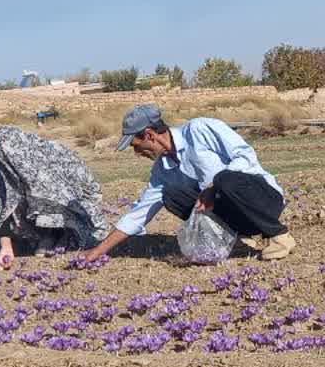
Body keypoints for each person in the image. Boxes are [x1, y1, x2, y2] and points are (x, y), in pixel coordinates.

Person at [82, 105, 295, 263]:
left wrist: (212, 187)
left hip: (263, 201)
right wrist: (98, 251)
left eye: (137, 146)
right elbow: (140, 212)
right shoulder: (162, 170)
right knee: (171, 195)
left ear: (149, 135)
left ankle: (279, 236)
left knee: (223, 179)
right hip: (240, 216)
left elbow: (245, 156)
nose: (138, 153)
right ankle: (236, 240)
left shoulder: (200, 130)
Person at [0, 126, 109, 269]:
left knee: (56, 196)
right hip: (39, 214)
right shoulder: (6, 168)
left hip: (74, 202)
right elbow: (3, 205)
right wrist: (6, 246)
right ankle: (47, 235)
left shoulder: (52, 155)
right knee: (22, 197)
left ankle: (66, 235)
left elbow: (86, 189)